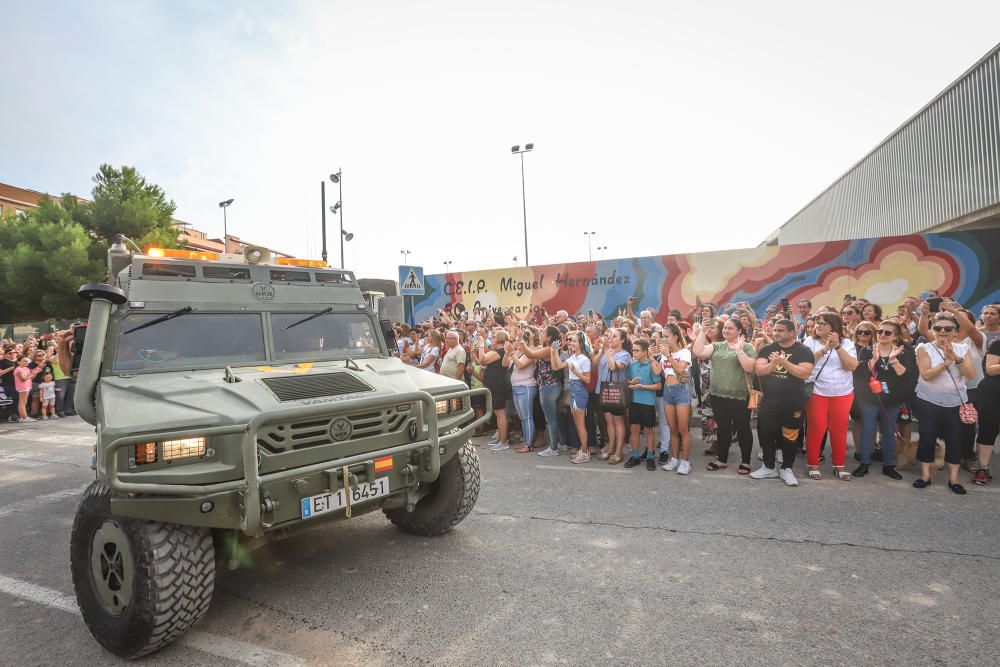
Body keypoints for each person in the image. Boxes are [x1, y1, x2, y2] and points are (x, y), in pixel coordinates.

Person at [913, 313, 976, 494]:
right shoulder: (924, 348)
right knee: (927, 436)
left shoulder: (963, 349)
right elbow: (926, 375)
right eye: (938, 328)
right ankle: (925, 475)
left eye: (948, 329)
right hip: (928, 400)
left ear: (955, 332)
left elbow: (970, 375)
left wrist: (956, 357)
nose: (943, 331)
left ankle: (953, 479)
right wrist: (946, 362)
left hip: (956, 402)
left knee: (955, 439)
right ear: (932, 330)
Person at [751, 319, 814, 486]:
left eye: (780, 330)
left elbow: (805, 373)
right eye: (775, 330)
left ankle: (787, 468)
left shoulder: (803, 351)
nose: (776, 333)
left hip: (793, 401)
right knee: (767, 433)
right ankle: (768, 467)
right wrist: (773, 363)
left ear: (792, 332)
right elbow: (759, 370)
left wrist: (784, 362)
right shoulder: (767, 349)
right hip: (770, 400)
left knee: (790, 436)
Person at [851, 320, 916, 479]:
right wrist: (873, 360)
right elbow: (859, 373)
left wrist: (893, 360)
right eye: (880, 331)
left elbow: (905, 375)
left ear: (896, 336)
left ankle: (888, 465)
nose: (882, 335)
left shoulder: (904, 352)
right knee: (867, 429)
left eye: (887, 332)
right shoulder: (867, 350)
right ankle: (864, 463)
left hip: (892, 399)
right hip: (870, 398)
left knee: (888, 432)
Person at [693, 318, 757, 474]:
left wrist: (739, 350)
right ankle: (721, 459)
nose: (726, 330)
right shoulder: (717, 346)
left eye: (730, 328)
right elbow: (698, 352)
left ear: (739, 331)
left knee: (743, 429)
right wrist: (702, 331)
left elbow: (749, 368)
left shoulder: (748, 347)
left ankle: (746, 462)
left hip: (740, 396)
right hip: (718, 395)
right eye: (725, 328)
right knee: (722, 429)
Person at [804, 313, 859, 480]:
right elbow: (806, 361)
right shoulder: (809, 341)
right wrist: (825, 349)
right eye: (817, 323)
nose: (818, 326)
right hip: (817, 391)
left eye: (823, 324)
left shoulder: (847, 343)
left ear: (833, 327)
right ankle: (813, 464)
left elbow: (852, 366)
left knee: (840, 429)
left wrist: (837, 347)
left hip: (843, 392)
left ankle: (839, 465)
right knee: (816, 428)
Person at [654, 323, 693, 475]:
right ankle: (675, 459)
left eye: (666, 336)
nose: (664, 340)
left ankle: (685, 461)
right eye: (662, 336)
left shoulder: (684, 352)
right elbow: (658, 371)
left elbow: (680, 369)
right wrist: (652, 357)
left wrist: (668, 355)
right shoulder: (664, 353)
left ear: (675, 337)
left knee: (683, 429)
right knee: (673, 429)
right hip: (667, 391)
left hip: (680, 391)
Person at [550, 332, 592, 463]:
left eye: (574, 341)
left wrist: (575, 372)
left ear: (581, 343)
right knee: (577, 424)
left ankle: (584, 453)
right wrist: (554, 351)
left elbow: (588, 379)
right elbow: (557, 366)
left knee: (580, 425)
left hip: (579, 391)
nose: (571, 343)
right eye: (571, 341)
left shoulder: (584, 359)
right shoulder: (573, 356)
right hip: (573, 390)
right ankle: (583, 450)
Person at [593, 328, 632, 464]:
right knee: (609, 422)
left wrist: (608, 353)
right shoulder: (605, 351)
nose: (611, 338)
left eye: (614, 337)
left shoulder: (625, 355)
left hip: (617, 392)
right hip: (604, 391)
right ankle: (610, 448)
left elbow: (613, 367)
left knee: (618, 421)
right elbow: (594, 363)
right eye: (610, 336)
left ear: (622, 340)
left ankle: (618, 451)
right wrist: (602, 350)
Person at [624, 340, 663, 470]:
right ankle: (635, 456)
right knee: (634, 429)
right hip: (634, 402)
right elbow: (628, 381)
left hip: (647, 403)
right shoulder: (632, 365)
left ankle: (650, 457)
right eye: (633, 350)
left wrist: (642, 386)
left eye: (637, 350)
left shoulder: (652, 365)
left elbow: (658, 385)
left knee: (648, 431)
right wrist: (632, 382)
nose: (634, 353)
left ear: (645, 352)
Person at [525, 326, 564, 457]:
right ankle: (558, 443)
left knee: (551, 419)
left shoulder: (549, 349)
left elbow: (530, 354)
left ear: (549, 337)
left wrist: (522, 342)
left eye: (543, 333)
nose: (541, 334)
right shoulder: (550, 348)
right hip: (552, 385)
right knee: (554, 418)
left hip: (548, 387)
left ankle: (553, 448)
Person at [477, 331, 512, 450]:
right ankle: (500, 439)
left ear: (498, 339)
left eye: (493, 338)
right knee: (498, 413)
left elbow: (482, 360)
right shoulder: (496, 352)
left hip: (498, 386)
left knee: (500, 414)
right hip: (495, 385)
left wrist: (481, 345)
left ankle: (503, 441)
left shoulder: (500, 352)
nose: (491, 340)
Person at [974, 334, 1000, 485]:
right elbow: (990, 369)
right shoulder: (997, 344)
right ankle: (983, 469)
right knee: (988, 429)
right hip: (993, 392)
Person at [508, 329, 539, 453]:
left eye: (519, 341)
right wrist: (508, 353)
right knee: (522, 417)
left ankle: (528, 444)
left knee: (527, 417)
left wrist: (512, 354)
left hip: (526, 387)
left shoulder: (533, 352)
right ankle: (525, 441)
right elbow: (506, 364)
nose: (517, 343)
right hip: (516, 386)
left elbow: (521, 366)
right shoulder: (518, 352)